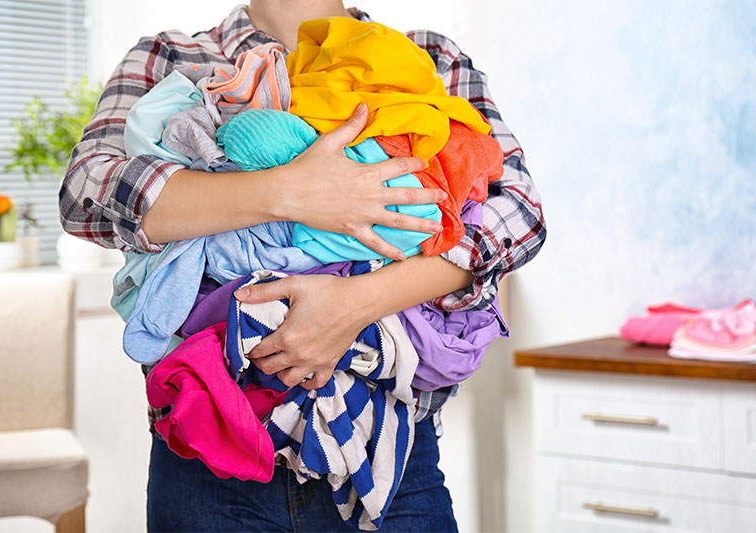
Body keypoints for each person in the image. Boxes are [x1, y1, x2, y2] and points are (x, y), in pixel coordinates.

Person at [59, 1, 546, 530]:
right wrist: (288, 192)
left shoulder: (430, 55)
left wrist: (355, 305)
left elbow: (517, 213)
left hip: (395, 461)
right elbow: (86, 194)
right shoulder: (171, 55)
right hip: (209, 467)